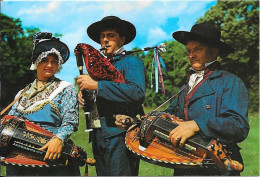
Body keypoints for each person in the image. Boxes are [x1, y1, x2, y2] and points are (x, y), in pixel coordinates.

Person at [162, 23, 249, 176]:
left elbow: (238, 126)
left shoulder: (230, 82)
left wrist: (197, 125)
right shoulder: (186, 86)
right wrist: (136, 121)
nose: (191, 55)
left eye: (197, 49)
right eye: (189, 50)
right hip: (184, 163)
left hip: (217, 167)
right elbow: (169, 116)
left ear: (214, 51)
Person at [77, 16, 145, 176]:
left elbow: (137, 92)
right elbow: (103, 98)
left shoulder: (131, 62)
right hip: (98, 134)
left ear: (122, 39)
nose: (105, 40)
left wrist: (97, 85)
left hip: (120, 136)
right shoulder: (99, 67)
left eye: (111, 35)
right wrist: (85, 97)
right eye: (102, 36)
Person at [6, 32, 80, 176]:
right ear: (36, 62)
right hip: (19, 154)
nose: (49, 65)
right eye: (44, 60)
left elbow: (70, 121)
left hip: (51, 152)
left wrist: (59, 139)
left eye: (54, 61)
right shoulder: (22, 93)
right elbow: (10, 121)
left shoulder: (65, 88)